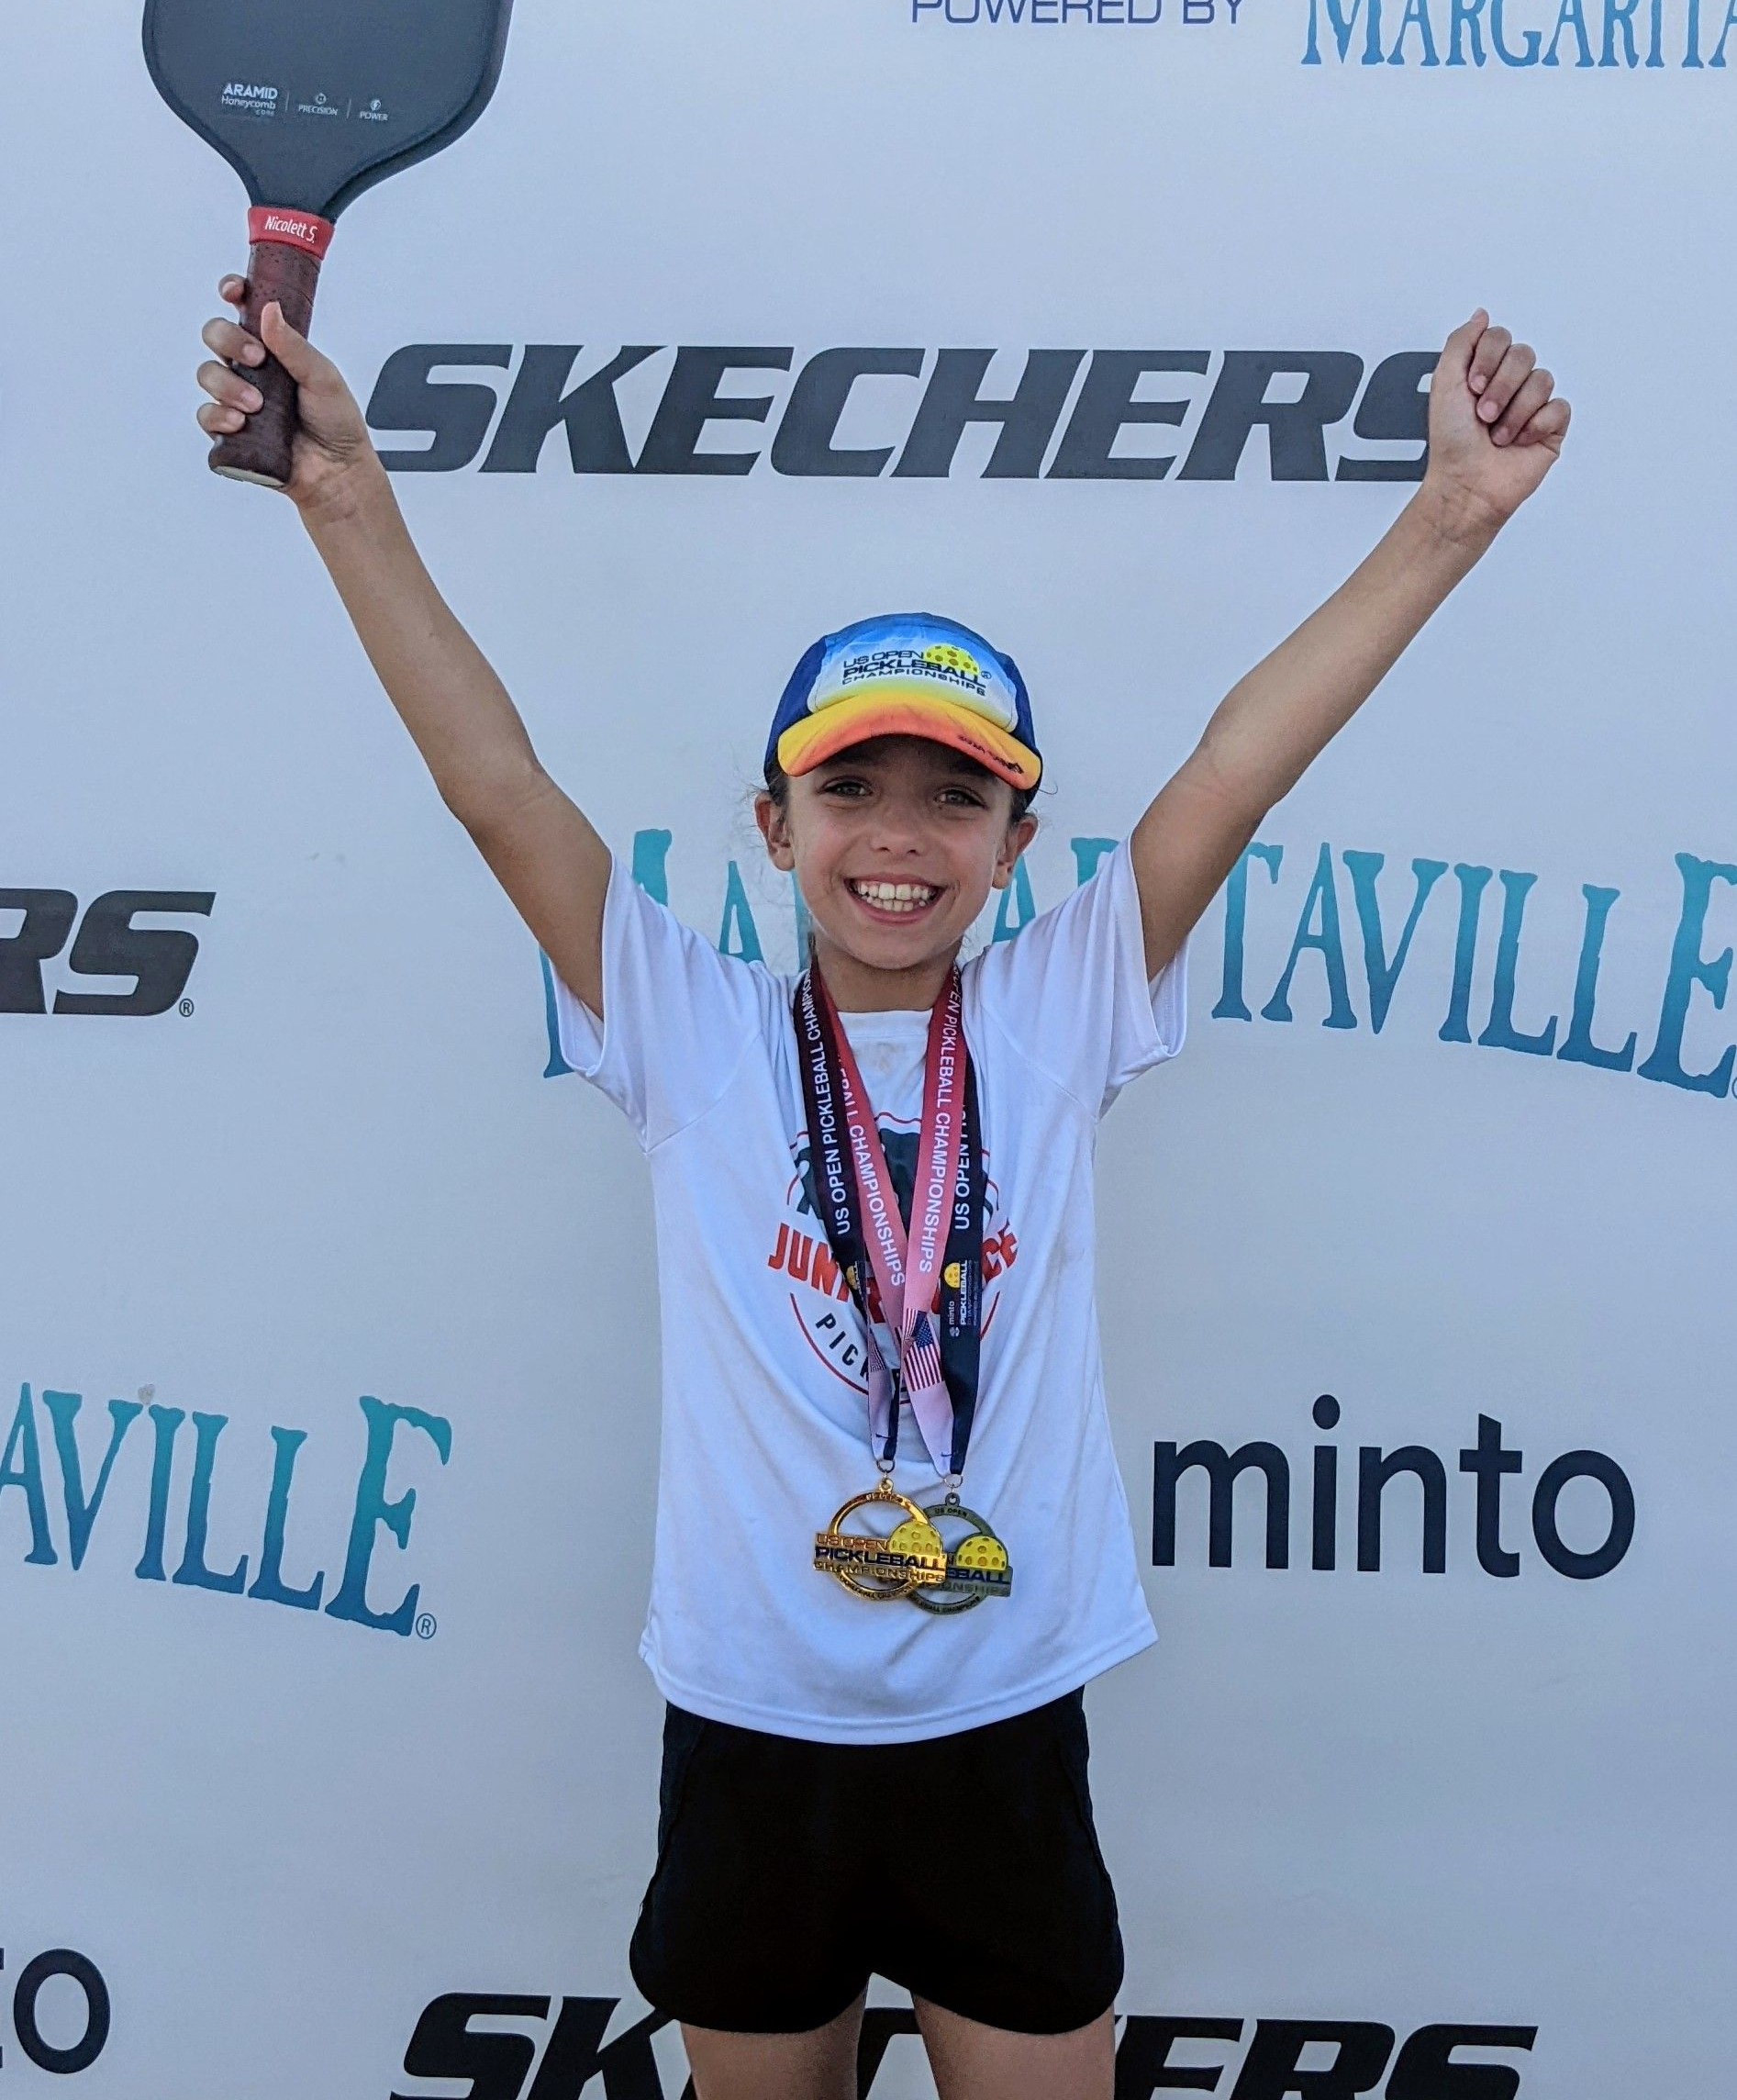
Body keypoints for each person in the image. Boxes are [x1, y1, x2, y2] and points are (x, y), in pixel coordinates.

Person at [195, 288, 1569, 2100]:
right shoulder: (683, 1024)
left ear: (1019, 842)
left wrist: (1448, 517)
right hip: (758, 1734)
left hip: (1001, 1728)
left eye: (951, 796)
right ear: (773, 825)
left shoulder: (1061, 1005)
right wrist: (344, 499)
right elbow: (493, 783)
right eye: (851, 789)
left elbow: (1237, 763)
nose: (898, 839)